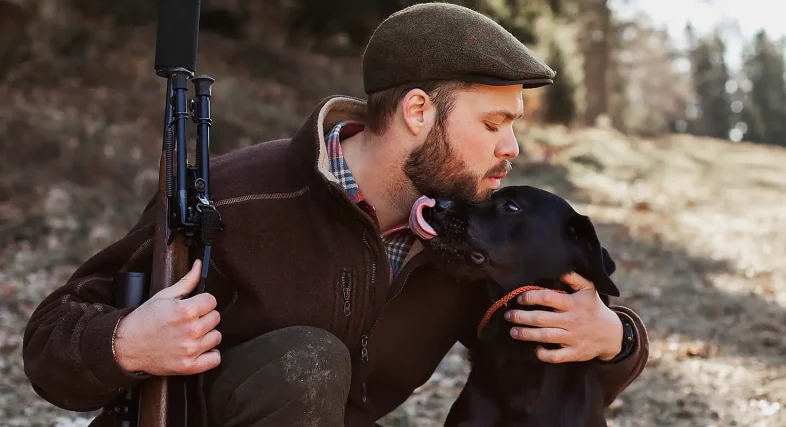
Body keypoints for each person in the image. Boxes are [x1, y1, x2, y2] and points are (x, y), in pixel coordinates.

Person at [21, 3, 649, 426]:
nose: (511, 148)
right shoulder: (239, 196)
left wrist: (614, 339)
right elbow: (52, 333)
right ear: (418, 112)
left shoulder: (462, 240)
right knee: (310, 363)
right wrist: (125, 342)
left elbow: (543, 373)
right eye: (492, 124)